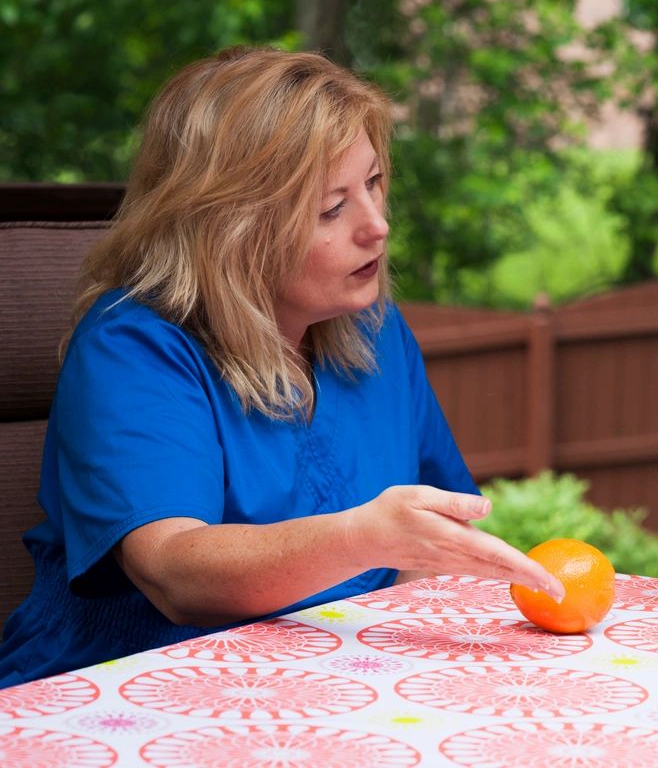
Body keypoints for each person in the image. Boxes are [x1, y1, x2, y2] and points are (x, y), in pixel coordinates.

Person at [0, 46, 563, 687]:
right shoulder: (132, 343)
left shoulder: (376, 330)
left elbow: (433, 541)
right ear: (231, 229)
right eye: (332, 208)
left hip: (332, 683)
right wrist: (362, 537)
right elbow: (173, 571)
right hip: (128, 689)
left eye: (374, 184)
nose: (376, 226)